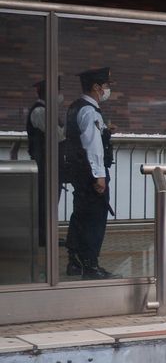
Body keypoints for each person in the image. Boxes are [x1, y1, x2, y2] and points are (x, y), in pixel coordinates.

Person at [61, 67, 114, 279]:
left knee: (80, 215)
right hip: (91, 174)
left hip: (78, 172)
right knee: (94, 219)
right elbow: (93, 146)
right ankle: (91, 265)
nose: (106, 90)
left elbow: (72, 139)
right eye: (105, 86)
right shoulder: (90, 111)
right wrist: (99, 176)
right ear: (96, 87)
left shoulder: (74, 108)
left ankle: (74, 262)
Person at [23, 81, 47, 253]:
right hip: (42, 160)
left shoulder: (43, 109)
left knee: (46, 198)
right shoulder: (40, 110)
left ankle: (45, 234)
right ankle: (41, 236)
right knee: (42, 199)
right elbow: (57, 133)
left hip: (45, 160)